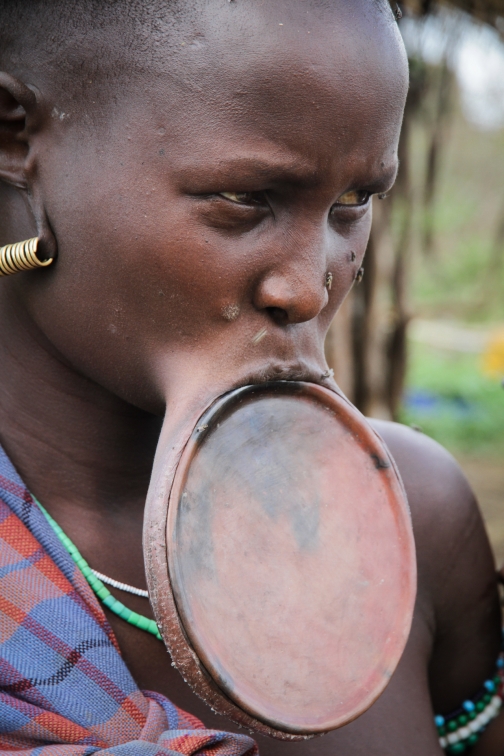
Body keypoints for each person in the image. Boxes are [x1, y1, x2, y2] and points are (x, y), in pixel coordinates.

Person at [0, 0, 500, 754]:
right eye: (243, 199)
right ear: (14, 137)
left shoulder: (417, 527)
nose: (308, 288)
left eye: (352, 203)